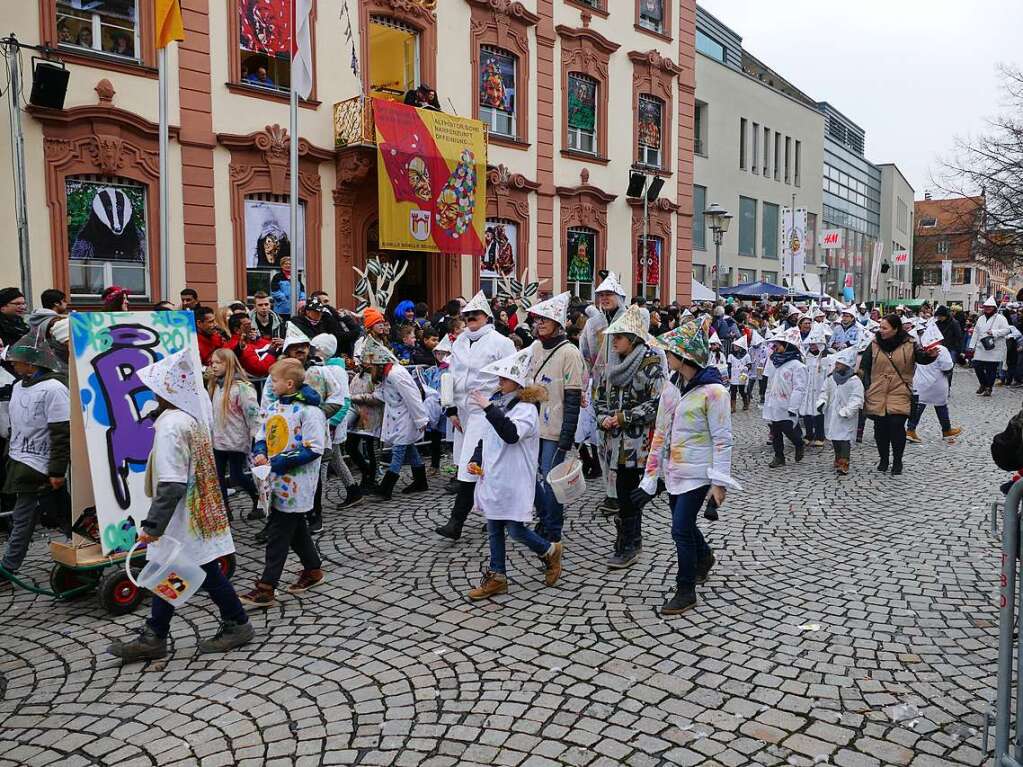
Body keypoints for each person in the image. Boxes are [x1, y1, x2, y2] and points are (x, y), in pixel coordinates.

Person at [108, 350, 251, 661]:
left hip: (184, 515)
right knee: (171, 571)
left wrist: (151, 527)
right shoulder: (189, 417)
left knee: (201, 571)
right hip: (197, 511)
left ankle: (235, 624)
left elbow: (171, 482)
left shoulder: (172, 424)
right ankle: (155, 634)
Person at [632, 318, 740, 615]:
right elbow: (660, 433)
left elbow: (722, 440)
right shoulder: (671, 388)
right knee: (685, 525)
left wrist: (719, 483)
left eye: (670, 352)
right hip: (674, 471)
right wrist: (650, 478)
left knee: (679, 529)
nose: (666, 357)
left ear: (685, 356)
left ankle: (686, 589)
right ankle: (704, 557)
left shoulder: (714, 393)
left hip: (699, 473)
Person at [464, 348, 563, 600]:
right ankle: (498, 576)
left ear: (517, 383)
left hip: (514, 477)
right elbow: (487, 437)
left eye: (504, 380)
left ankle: (549, 551)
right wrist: (476, 459)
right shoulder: (499, 403)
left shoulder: (526, 410)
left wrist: (488, 408)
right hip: (495, 475)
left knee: (515, 529)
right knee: (494, 526)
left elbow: (510, 434)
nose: (499, 384)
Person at [241, 358, 327, 608]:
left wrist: (277, 461)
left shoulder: (310, 412)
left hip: (296, 484)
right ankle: (313, 570)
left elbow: (314, 448)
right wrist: (260, 452)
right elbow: (262, 435)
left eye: (275, 381)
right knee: (295, 527)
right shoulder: (273, 408)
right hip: (274, 481)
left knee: (278, 533)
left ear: (289, 384)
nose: (271, 385)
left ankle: (267, 587)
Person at [434, 292, 515, 540]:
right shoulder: (459, 342)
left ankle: (456, 522)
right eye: (467, 315)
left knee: (472, 464)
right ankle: (498, 514)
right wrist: (450, 408)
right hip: (464, 409)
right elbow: (450, 375)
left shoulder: (501, 342)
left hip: (487, 408)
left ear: (486, 317)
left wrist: (501, 406)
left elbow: (512, 375)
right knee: (484, 464)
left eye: (475, 315)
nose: (470, 319)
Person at [593, 305, 663, 569]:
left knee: (632, 493)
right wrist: (603, 418)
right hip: (615, 442)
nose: (614, 342)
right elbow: (599, 396)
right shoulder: (612, 364)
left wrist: (623, 417)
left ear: (633, 338)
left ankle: (631, 542)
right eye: (612, 337)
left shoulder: (651, 364)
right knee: (622, 492)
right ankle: (627, 538)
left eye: (619, 337)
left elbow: (657, 403)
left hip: (639, 444)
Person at [0, 327, 69, 585]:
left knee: (28, 517)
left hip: (41, 465)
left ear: (31, 364)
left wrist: (56, 471)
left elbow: (61, 434)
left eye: (16, 362)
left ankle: (7, 568)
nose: (13, 365)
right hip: (24, 461)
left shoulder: (53, 389)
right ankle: (87, 545)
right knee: (59, 513)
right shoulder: (20, 386)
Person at [524, 292, 583, 546]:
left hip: (555, 429)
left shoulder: (570, 353)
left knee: (551, 482)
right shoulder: (535, 347)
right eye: (537, 320)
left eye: (545, 320)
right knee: (532, 477)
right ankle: (544, 517)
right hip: (532, 426)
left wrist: (566, 437)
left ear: (558, 323)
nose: (540, 324)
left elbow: (572, 398)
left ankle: (553, 528)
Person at [859, 314, 939, 476]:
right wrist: (867, 387)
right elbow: (864, 366)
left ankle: (897, 460)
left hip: (900, 389)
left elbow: (921, 358)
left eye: (885, 328)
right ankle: (883, 459)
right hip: (878, 391)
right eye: (880, 327)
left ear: (895, 329)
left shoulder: (910, 343)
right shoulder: (874, 344)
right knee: (880, 428)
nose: (881, 331)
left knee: (896, 426)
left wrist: (930, 356)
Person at [580, 273, 628, 515]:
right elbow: (585, 354)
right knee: (602, 441)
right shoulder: (593, 324)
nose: (605, 298)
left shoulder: (630, 319)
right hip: (601, 388)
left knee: (623, 443)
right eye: (601, 295)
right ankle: (611, 493)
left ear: (619, 297)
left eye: (609, 294)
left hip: (626, 387)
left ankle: (625, 490)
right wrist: (585, 383)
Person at [361, 338, 430, 500]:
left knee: (398, 452)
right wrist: (360, 397)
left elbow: (412, 397)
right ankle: (421, 481)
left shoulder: (396, 374)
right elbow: (381, 394)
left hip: (406, 417)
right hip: (396, 417)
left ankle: (386, 489)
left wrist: (421, 419)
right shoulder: (386, 375)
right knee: (409, 448)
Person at [310, 333, 363, 510]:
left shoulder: (336, 371)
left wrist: (333, 422)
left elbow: (343, 399)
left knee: (326, 459)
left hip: (331, 422)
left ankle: (316, 501)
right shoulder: (326, 368)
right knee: (334, 458)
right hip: (327, 421)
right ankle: (352, 490)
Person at [207, 349, 261, 521]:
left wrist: (256, 437)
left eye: (218, 362)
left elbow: (252, 413)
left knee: (237, 476)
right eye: (212, 362)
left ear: (228, 363)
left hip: (236, 439)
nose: (214, 366)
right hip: (218, 440)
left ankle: (258, 498)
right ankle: (225, 510)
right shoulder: (215, 386)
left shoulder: (241, 388)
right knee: (218, 477)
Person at [906, 322, 961, 443]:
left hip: (920, 382)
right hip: (937, 383)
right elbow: (947, 366)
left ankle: (911, 429)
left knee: (918, 406)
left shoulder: (921, 349)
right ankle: (946, 430)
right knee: (941, 405)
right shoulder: (941, 349)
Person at [764, 329, 808, 468]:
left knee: (788, 429)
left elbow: (799, 388)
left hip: (788, 403)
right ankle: (779, 456)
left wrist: (793, 407)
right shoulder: (776, 362)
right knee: (776, 431)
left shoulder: (798, 366)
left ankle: (798, 443)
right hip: (775, 402)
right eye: (773, 347)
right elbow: (771, 382)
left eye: (777, 346)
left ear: (786, 346)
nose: (774, 349)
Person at [818, 346, 864, 476]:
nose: (836, 366)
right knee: (834, 437)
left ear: (846, 365)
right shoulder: (831, 378)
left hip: (845, 415)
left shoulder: (854, 381)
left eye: (839, 363)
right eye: (836, 363)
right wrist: (822, 402)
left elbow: (857, 398)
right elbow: (824, 392)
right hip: (832, 413)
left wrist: (847, 411)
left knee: (844, 439)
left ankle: (844, 461)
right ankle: (837, 457)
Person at [799, 325, 833, 447]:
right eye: (811, 343)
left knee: (819, 411)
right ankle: (809, 434)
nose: (812, 345)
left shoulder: (825, 358)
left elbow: (828, 375)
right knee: (807, 411)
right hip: (807, 389)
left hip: (820, 389)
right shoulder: (805, 357)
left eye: (815, 343)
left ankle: (820, 435)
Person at [969, 296, 1010, 396]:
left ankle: (989, 387)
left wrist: (994, 332)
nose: (987, 309)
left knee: (991, 369)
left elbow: (1007, 330)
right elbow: (976, 332)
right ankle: (983, 384)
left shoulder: (1001, 318)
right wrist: (971, 345)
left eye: (989, 307)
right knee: (977, 365)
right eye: (985, 307)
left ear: (994, 308)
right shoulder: (981, 318)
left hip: (994, 348)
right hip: (981, 347)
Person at [727, 335, 751, 413]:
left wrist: (746, 368)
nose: (735, 347)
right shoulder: (730, 355)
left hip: (742, 375)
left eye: (737, 346)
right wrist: (729, 376)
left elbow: (749, 365)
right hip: (733, 376)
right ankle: (732, 407)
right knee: (733, 391)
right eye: (734, 346)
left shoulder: (746, 355)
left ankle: (745, 403)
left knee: (741, 391)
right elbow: (729, 366)